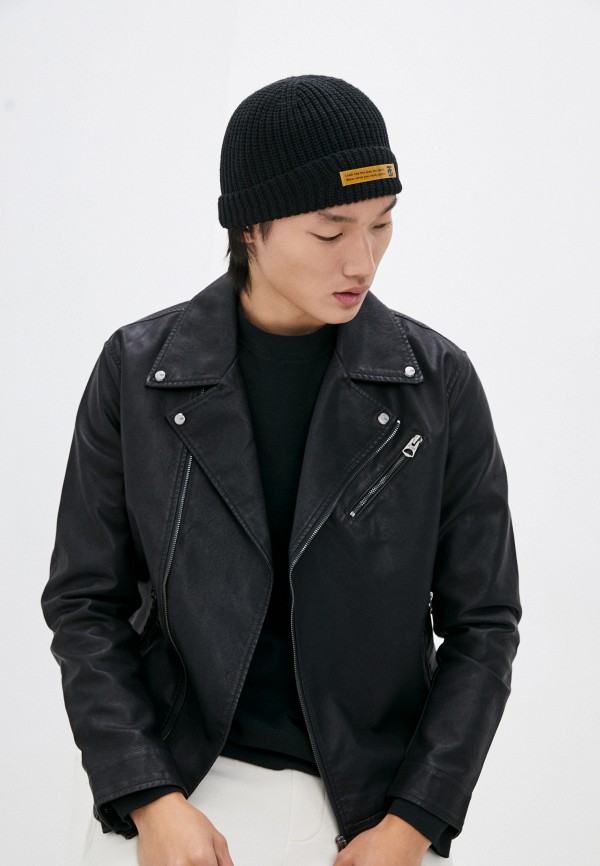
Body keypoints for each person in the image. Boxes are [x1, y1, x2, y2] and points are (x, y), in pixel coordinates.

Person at [42, 75, 521, 866]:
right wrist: (150, 798)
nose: (362, 260)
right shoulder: (138, 372)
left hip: (372, 804)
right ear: (250, 228)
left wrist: (416, 820)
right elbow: (85, 604)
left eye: (382, 224)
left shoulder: (436, 385)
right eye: (331, 231)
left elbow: (485, 623)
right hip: (182, 784)